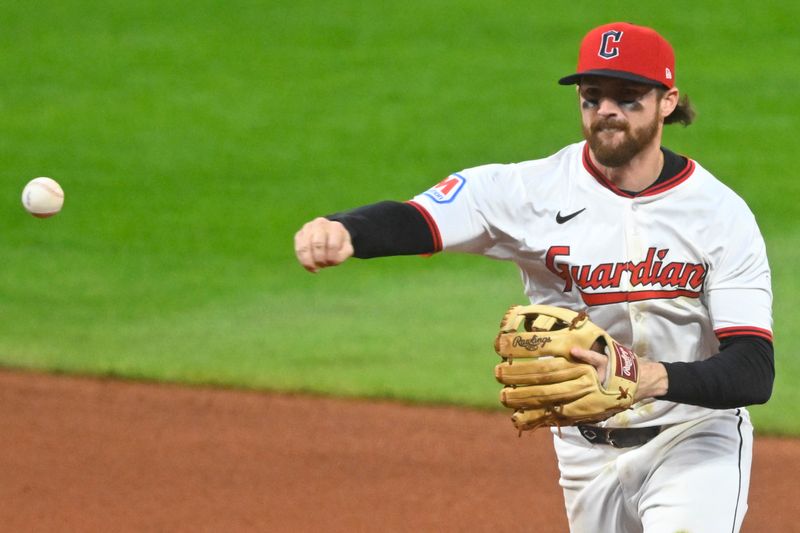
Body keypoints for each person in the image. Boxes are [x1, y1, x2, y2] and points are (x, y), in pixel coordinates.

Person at [293, 22, 774, 533]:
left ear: (668, 101)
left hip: (694, 438)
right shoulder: (531, 191)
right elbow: (424, 218)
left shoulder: (720, 213)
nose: (606, 110)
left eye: (628, 97)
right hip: (585, 453)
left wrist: (648, 377)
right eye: (592, 97)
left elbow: (752, 369)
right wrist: (347, 231)